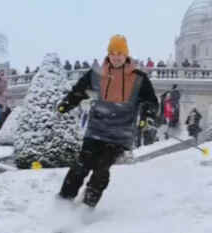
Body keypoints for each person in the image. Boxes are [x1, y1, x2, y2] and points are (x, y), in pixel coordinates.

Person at [56, 34, 159, 208]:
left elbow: (151, 101)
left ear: (126, 54)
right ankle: (63, 202)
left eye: (120, 53)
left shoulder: (139, 78)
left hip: (120, 134)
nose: (116, 57)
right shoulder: (97, 74)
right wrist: (66, 104)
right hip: (96, 129)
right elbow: (78, 91)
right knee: (81, 165)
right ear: (108, 54)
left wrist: (148, 116)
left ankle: (87, 206)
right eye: (113, 53)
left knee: (101, 170)